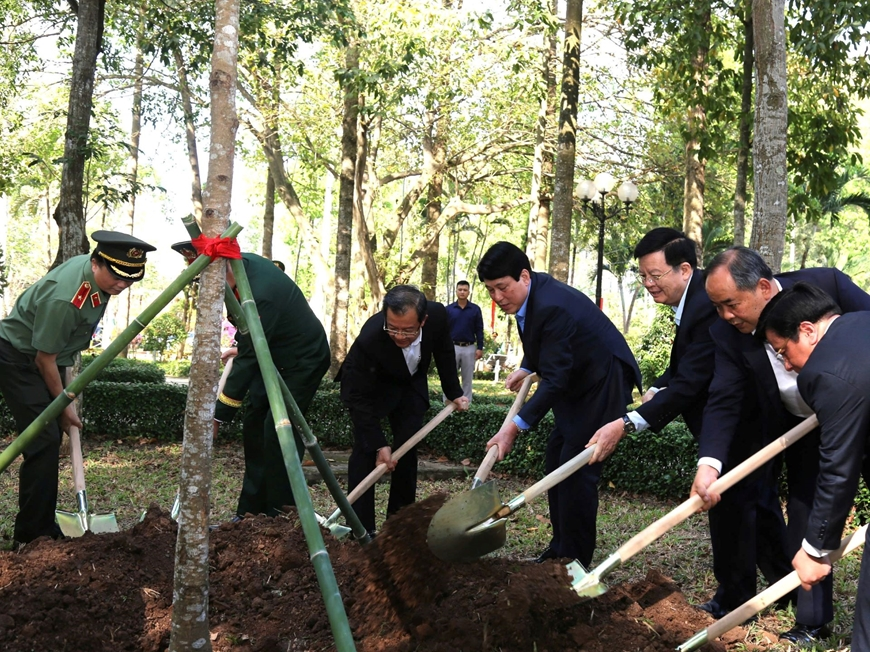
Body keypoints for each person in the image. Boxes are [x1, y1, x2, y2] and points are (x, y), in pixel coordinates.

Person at [585, 229, 790, 616]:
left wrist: (628, 423)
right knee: (757, 511)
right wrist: (662, 384)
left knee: (734, 513)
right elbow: (688, 367)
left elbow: (695, 383)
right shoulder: (695, 302)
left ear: (684, 269)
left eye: (655, 275)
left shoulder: (704, 306)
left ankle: (735, 596)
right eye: (643, 276)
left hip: (738, 427)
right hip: (739, 424)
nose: (648, 284)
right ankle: (785, 588)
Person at [692, 246, 870, 644]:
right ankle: (812, 621)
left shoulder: (826, 284)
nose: (725, 315)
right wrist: (709, 464)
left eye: (731, 304)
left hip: (857, 405)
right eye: (717, 306)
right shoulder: (726, 333)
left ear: (762, 287)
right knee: (808, 518)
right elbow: (723, 398)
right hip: (802, 427)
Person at [478, 241, 641, 567]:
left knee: (577, 471)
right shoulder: (532, 297)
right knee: (556, 462)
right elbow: (545, 341)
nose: (497, 297)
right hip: (576, 381)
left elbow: (555, 379)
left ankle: (574, 561)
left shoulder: (552, 305)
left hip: (601, 383)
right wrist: (528, 365)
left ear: (524, 276)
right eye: (490, 290)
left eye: (502, 288)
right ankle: (560, 548)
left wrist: (513, 428)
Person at [0, 230, 155, 545]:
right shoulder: (68, 298)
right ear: (97, 263)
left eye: (131, 279)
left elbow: (61, 350)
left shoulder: (99, 279)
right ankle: (32, 534)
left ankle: (39, 524)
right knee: (42, 438)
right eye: (117, 277)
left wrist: (65, 399)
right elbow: (46, 360)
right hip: (17, 357)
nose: (123, 285)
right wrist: (66, 407)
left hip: (43, 354)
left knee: (48, 437)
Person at [173, 243, 330, 520]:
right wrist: (242, 346)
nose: (203, 284)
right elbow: (252, 337)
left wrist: (218, 417)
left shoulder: (260, 292)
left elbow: (251, 355)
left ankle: (281, 511)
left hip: (301, 361)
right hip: (269, 353)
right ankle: (250, 513)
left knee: (277, 430)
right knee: (255, 425)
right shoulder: (239, 274)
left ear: (222, 266)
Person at [759, 282, 870, 650]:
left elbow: (839, 467)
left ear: (807, 330)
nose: (787, 364)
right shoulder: (860, 322)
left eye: (783, 352)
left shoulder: (825, 371)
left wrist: (815, 550)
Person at [336, 285, 469, 536]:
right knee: (366, 452)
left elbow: (444, 352)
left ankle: (398, 527)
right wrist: (378, 443)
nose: (399, 335)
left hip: (410, 384)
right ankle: (361, 530)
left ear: (423, 320)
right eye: (392, 328)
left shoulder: (438, 316)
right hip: (371, 386)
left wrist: (453, 392)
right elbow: (357, 397)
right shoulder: (371, 338)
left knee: (406, 449)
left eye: (407, 330)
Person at [445, 279, 484, 402]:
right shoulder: (448, 310)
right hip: (452, 347)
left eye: (465, 290)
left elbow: (479, 329)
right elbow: (444, 330)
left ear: (468, 292)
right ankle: (447, 401)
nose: (462, 292)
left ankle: (467, 403)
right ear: (456, 291)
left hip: (469, 347)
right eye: (460, 289)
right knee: (450, 376)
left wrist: (480, 347)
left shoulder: (475, 309)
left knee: (467, 378)